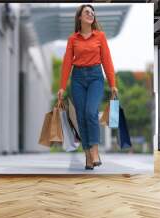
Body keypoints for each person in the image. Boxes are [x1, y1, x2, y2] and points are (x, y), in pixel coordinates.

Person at [57, 4, 118, 170]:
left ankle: (95, 152)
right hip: (77, 79)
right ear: (80, 18)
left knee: (91, 112)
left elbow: (107, 60)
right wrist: (62, 86)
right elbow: (67, 63)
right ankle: (88, 156)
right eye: (87, 12)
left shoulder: (100, 36)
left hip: (95, 78)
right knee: (81, 117)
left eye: (92, 12)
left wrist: (113, 84)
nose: (91, 14)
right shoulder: (73, 39)